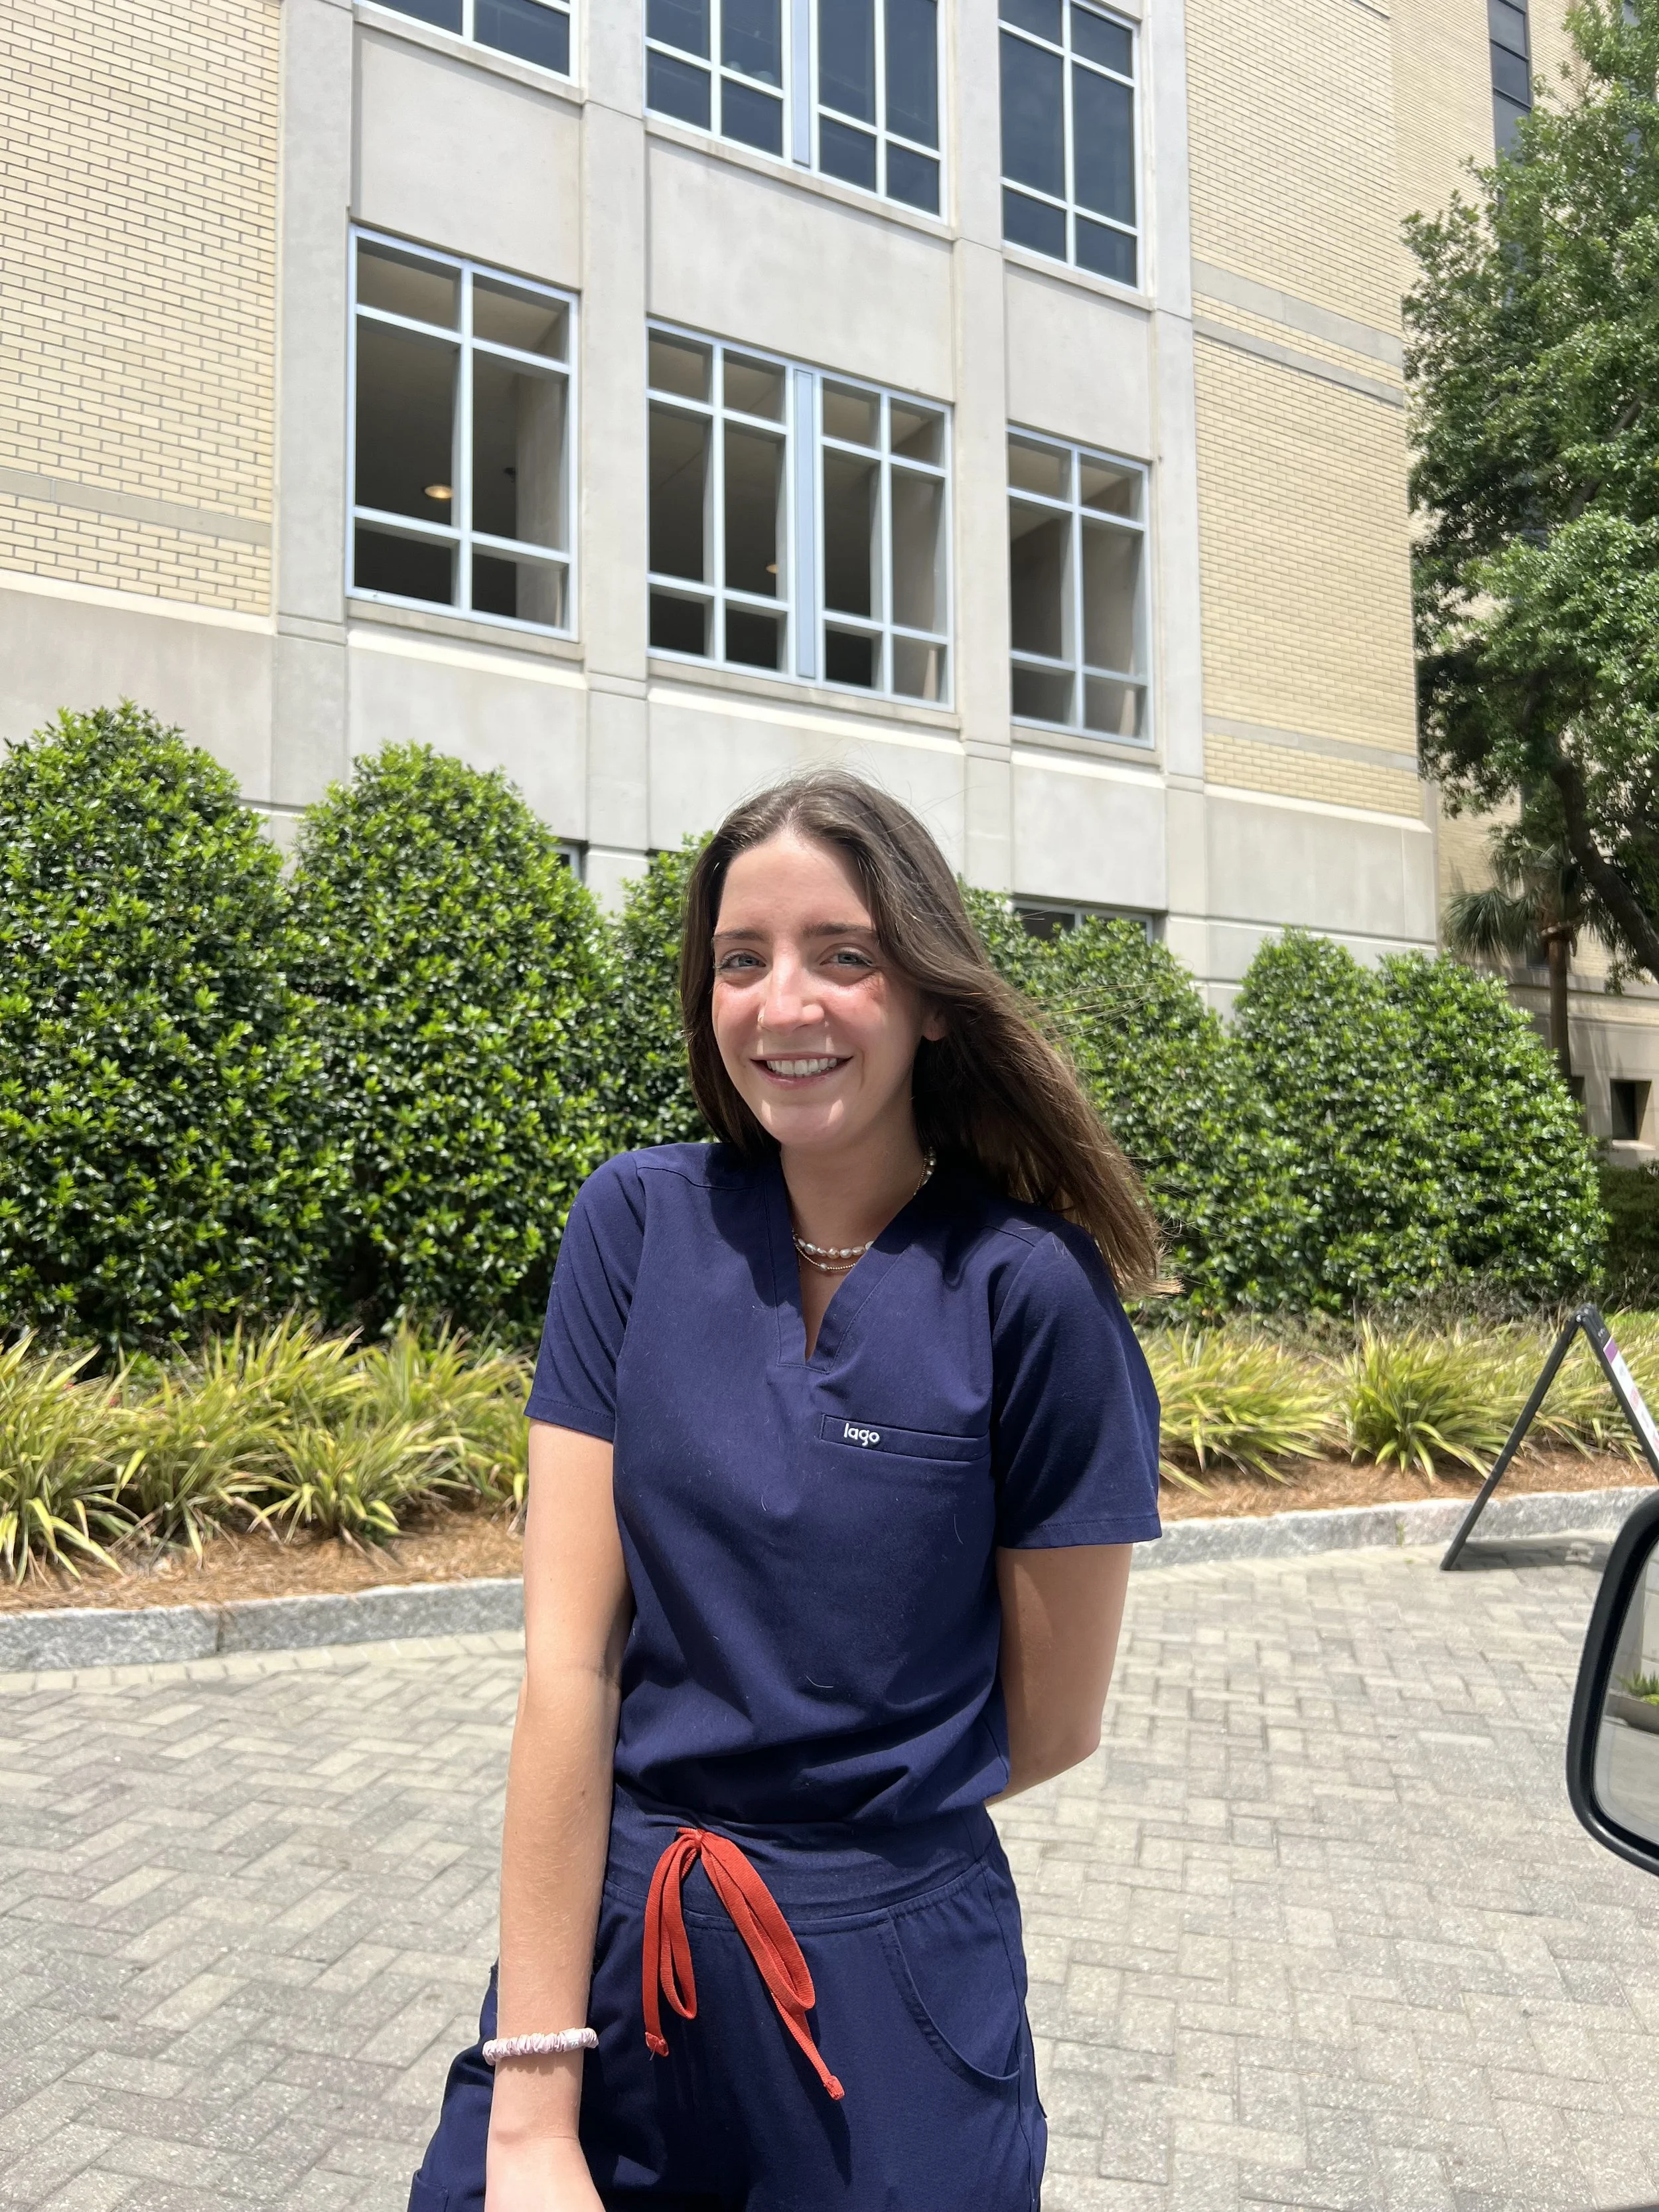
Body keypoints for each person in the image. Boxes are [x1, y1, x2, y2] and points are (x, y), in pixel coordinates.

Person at [408, 769, 1163, 2212]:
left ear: (930, 995)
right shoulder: (633, 1222)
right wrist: (533, 2110)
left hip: (884, 1979)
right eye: (738, 961)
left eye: (844, 954)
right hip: (616, 1950)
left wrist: (821, 1826)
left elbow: (1052, 1721)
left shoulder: (1027, 1292)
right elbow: (567, 1667)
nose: (782, 1002)